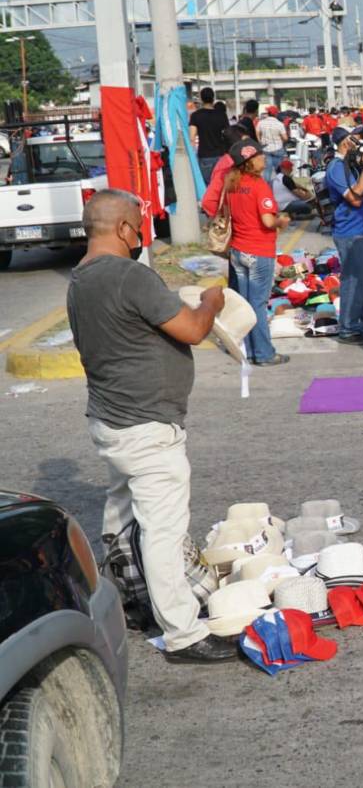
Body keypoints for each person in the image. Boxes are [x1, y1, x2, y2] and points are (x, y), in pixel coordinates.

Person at [67, 189, 236, 664]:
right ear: (123, 229)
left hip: (111, 421)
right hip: (146, 426)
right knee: (162, 531)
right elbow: (193, 329)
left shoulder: (79, 278)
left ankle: (129, 598)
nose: (141, 234)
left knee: (121, 517)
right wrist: (211, 301)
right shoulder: (130, 275)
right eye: (138, 226)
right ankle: (183, 634)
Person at [203, 139, 291, 366]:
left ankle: (250, 351)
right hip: (259, 250)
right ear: (250, 161)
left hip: (238, 251)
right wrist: (281, 221)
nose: (264, 158)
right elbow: (268, 221)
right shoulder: (259, 186)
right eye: (260, 155)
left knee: (246, 304)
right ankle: (264, 354)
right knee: (258, 304)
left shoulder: (232, 183)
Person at [326, 127, 363, 345]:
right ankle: (348, 328)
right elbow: (355, 198)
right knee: (354, 283)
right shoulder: (336, 167)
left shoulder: (356, 164)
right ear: (346, 142)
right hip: (352, 233)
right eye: (356, 141)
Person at [188, 86, 228, 184]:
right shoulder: (221, 115)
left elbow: (192, 138)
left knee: (208, 186)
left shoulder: (195, 115)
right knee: (221, 184)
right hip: (221, 155)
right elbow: (228, 134)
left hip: (205, 156)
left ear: (201, 99)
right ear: (213, 98)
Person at [256, 107, 288, 183]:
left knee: (267, 171)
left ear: (268, 113)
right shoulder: (280, 124)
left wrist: (260, 142)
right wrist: (281, 141)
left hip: (265, 149)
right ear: (276, 114)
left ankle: (267, 188)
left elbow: (257, 133)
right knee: (279, 171)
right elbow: (285, 138)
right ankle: (280, 186)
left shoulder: (261, 123)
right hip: (278, 149)